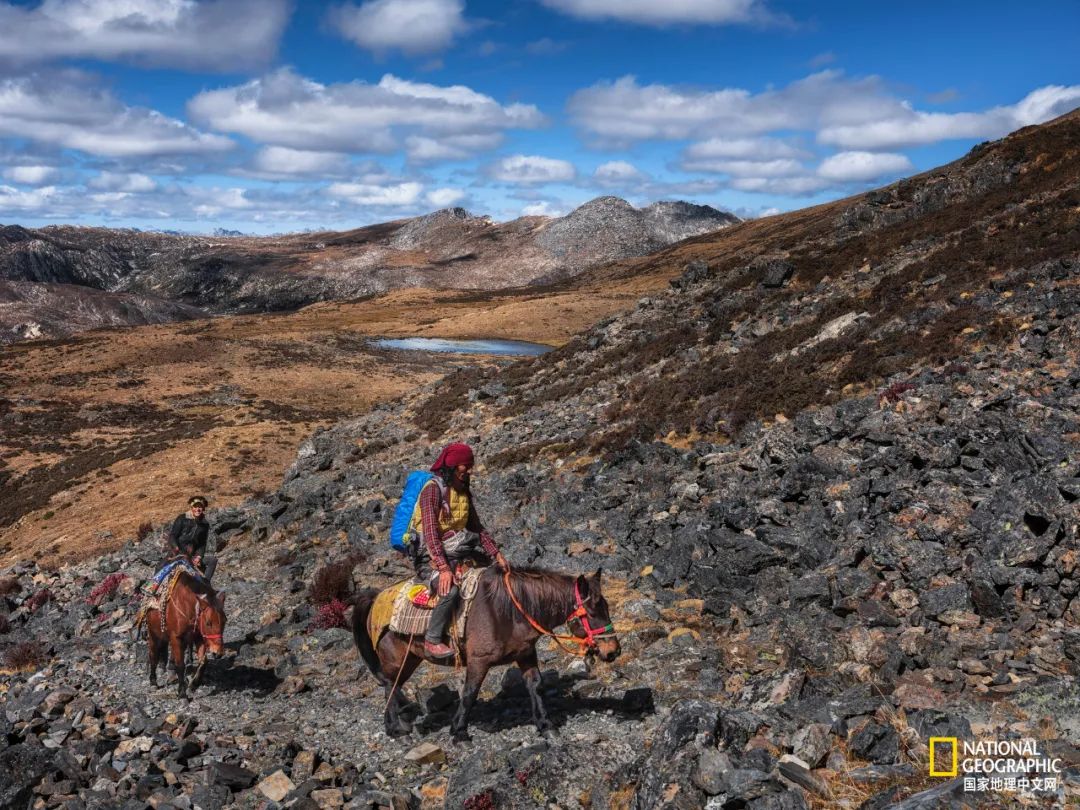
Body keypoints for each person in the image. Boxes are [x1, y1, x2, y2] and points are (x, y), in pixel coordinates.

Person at [410, 443, 506, 658]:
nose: (469, 470)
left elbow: (476, 527)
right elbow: (431, 532)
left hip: (458, 551)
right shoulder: (432, 491)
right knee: (449, 590)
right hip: (430, 557)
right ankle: (432, 639)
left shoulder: (463, 491)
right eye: (465, 466)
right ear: (452, 466)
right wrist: (443, 569)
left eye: (470, 466)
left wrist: (496, 554)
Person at [167, 495, 217, 581]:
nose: (198, 509)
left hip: (192, 556)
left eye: (200, 507)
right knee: (161, 568)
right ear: (191, 507)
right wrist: (176, 548)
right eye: (195, 506)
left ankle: (205, 584)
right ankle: (152, 589)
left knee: (213, 560)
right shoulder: (182, 518)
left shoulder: (204, 524)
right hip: (177, 553)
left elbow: (202, 544)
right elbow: (173, 536)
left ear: (203, 508)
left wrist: (199, 557)